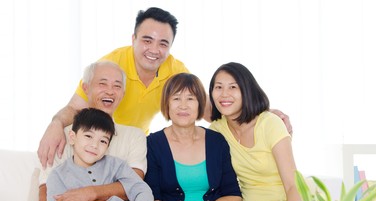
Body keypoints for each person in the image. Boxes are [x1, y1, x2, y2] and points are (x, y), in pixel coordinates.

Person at [37, 6, 292, 170]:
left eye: (163, 43)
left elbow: (210, 109)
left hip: (134, 145)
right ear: (133, 39)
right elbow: (75, 107)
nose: (154, 50)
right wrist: (55, 124)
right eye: (147, 40)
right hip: (98, 140)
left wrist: (262, 114)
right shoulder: (112, 65)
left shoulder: (176, 69)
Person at [39, 60, 200, 201]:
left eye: (117, 86)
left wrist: (89, 194)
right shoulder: (63, 136)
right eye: (102, 83)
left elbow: (136, 186)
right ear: (86, 88)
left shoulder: (133, 138)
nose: (110, 91)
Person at [144, 73, 256, 201]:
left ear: (200, 104)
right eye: (176, 98)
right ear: (167, 104)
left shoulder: (216, 141)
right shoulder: (153, 144)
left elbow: (234, 198)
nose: (183, 105)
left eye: (191, 98)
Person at [208, 62, 301, 201]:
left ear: (247, 90)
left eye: (233, 87)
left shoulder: (270, 123)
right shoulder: (216, 130)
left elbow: (293, 184)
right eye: (218, 87)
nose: (224, 94)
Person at [46, 108, 162, 201]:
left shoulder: (116, 165)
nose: (95, 145)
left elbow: (143, 191)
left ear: (108, 146)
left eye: (103, 141)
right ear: (72, 137)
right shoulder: (58, 175)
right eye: (88, 136)